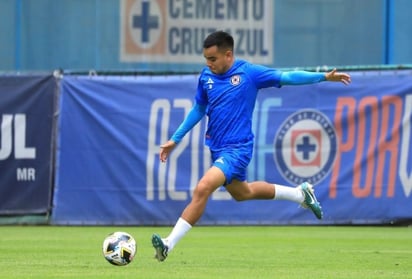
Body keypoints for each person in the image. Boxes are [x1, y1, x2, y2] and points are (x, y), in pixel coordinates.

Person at [152, 31, 351, 262]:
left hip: (238, 149)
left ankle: (168, 244)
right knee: (242, 193)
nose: (208, 63)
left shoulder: (249, 73)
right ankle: (300, 194)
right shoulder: (206, 76)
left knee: (203, 187)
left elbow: (287, 76)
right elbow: (199, 108)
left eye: (213, 59)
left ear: (228, 55)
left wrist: (323, 77)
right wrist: (176, 138)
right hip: (217, 148)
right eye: (206, 58)